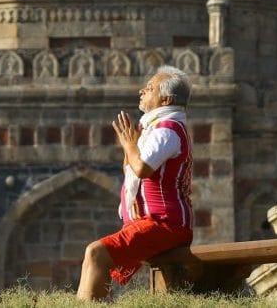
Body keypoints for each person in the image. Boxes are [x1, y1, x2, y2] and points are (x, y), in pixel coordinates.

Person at [77, 65, 194, 301]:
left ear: (166, 99)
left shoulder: (167, 131)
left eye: (150, 88)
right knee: (93, 259)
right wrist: (133, 144)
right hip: (151, 222)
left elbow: (141, 169)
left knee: (96, 252)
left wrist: (129, 144)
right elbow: (130, 167)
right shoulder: (155, 129)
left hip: (166, 224)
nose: (142, 91)